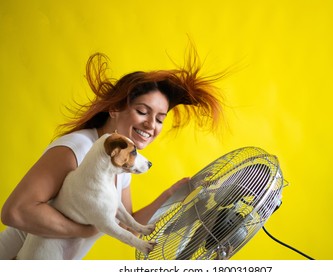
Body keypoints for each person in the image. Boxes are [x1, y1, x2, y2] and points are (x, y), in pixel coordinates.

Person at [0, 49, 226, 259]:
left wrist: (171, 194)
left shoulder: (119, 163)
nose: (150, 125)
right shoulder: (77, 149)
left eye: (159, 119)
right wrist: (88, 229)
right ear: (115, 108)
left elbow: (127, 227)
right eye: (142, 111)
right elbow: (15, 212)